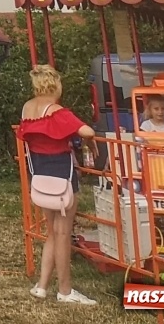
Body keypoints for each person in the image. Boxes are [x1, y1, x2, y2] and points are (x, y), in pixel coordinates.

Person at [18, 65, 97, 306]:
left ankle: (42, 286)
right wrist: (91, 144)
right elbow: (87, 130)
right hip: (62, 175)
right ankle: (65, 290)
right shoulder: (58, 112)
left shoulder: (27, 109)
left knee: (52, 232)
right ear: (55, 85)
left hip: (40, 175)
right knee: (63, 233)